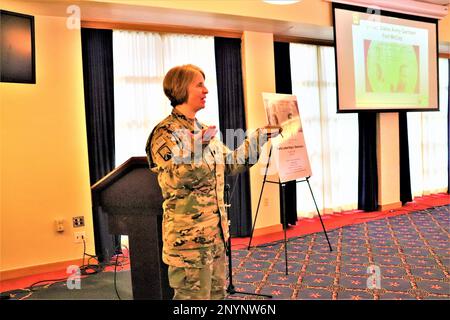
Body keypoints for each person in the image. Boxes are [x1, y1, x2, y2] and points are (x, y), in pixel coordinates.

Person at [145, 64, 280, 300]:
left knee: (217, 296)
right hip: (189, 245)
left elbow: (230, 163)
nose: (206, 90)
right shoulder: (165, 133)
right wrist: (194, 149)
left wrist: (258, 139)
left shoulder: (204, 130)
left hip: (215, 238)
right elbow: (172, 180)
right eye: (199, 84)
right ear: (180, 88)